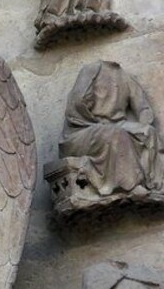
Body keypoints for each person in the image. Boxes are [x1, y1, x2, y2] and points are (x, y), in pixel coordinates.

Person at [60, 61, 164, 196]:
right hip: (81, 129)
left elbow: (143, 108)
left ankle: (155, 183)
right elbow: (76, 104)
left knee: (149, 132)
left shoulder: (125, 77)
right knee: (115, 134)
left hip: (115, 125)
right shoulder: (92, 69)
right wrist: (90, 114)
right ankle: (130, 184)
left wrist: (145, 123)